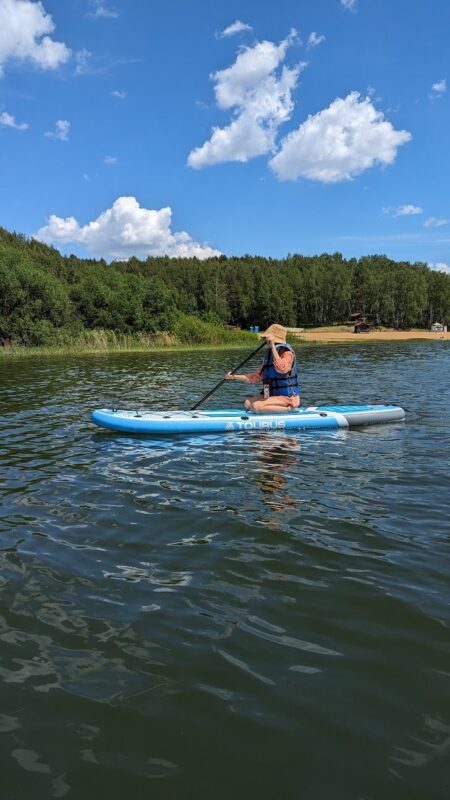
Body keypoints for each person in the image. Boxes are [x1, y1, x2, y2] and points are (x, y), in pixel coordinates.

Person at [225, 323, 300, 413]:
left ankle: (290, 409)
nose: (265, 340)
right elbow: (256, 377)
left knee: (256, 406)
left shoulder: (287, 353)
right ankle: (267, 409)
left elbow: (282, 369)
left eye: (267, 338)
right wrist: (235, 376)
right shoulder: (268, 356)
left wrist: (272, 346)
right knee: (248, 403)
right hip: (271, 395)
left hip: (288, 397)